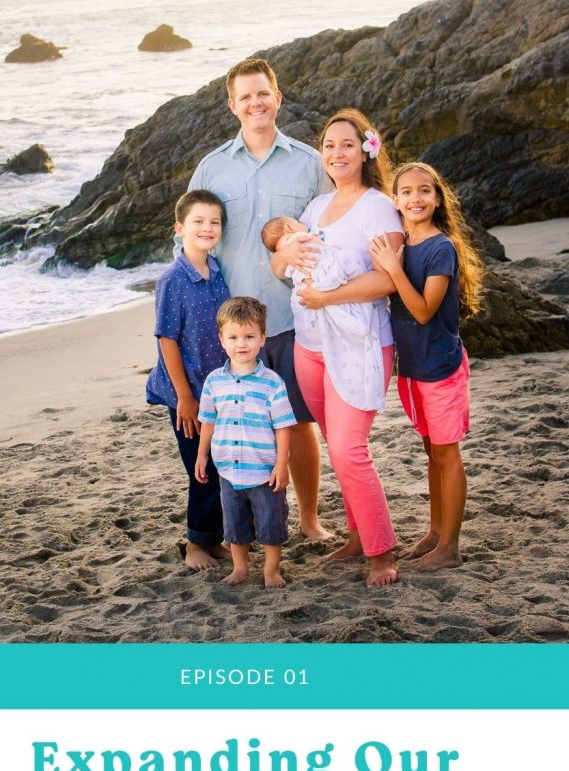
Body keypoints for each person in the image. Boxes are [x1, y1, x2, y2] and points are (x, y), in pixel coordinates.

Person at [184, 57, 330, 541]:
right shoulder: (212, 167)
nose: (255, 103)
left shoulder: (310, 163)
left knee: (299, 423)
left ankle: (308, 519)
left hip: (294, 318)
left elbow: (332, 230)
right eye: (245, 96)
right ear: (232, 105)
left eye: (262, 93)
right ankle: (239, 529)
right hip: (233, 325)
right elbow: (190, 241)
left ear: (278, 97)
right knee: (231, 425)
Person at [270, 108, 403, 587]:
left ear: (367, 150)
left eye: (347, 144)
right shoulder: (314, 209)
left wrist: (328, 296)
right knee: (334, 441)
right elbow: (280, 266)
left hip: (359, 342)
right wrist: (282, 256)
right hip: (310, 345)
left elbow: (387, 278)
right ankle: (356, 535)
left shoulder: (379, 206)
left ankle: (382, 552)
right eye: (329, 145)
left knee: (349, 449)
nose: (336, 153)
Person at [370, 162, 483, 570]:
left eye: (424, 191)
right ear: (395, 200)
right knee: (431, 452)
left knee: (448, 455)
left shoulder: (440, 249)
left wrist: (393, 268)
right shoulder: (402, 245)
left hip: (441, 368)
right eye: (406, 192)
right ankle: (436, 532)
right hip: (413, 369)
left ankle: (450, 547)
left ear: (437, 198)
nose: (415, 199)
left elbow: (421, 311)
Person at [146, 189, 230, 571]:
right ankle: (195, 544)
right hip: (188, 392)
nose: (207, 228)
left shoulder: (217, 272)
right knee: (201, 467)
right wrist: (184, 396)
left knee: (218, 464)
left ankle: (213, 541)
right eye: (198, 221)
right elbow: (167, 338)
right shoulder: (173, 279)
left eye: (214, 222)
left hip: (217, 390)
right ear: (180, 228)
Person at [196, 296, 296, 589]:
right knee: (235, 526)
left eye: (250, 336)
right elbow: (208, 421)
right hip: (228, 469)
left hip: (264, 471)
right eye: (234, 337)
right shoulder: (215, 381)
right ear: (222, 340)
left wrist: (281, 464)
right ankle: (240, 568)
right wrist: (202, 455)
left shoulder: (272, 383)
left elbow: (283, 426)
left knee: (271, 524)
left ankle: (271, 570)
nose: (242, 344)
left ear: (262, 338)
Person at [262, 215, 384, 411]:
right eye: (297, 223)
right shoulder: (295, 239)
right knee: (350, 259)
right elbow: (315, 247)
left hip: (313, 309)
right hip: (318, 276)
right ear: (289, 227)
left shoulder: (286, 246)